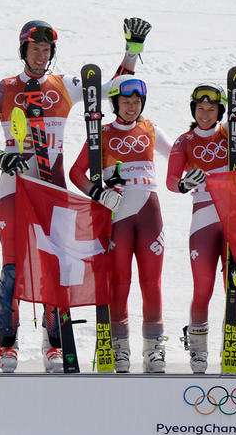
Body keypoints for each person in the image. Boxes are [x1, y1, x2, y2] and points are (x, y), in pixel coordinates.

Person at [0, 18, 145, 373]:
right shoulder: (3, 89)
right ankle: (8, 343)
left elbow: (111, 89)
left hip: (53, 190)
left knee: (53, 266)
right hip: (15, 189)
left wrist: (131, 51)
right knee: (12, 266)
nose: (41, 56)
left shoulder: (65, 85)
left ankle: (54, 340)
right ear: (23, 51)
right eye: (35, 49)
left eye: (46, 50)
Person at [165, 29, 236, 373]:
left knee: (234, 284)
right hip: (204, 217)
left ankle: (233, 341)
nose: (205, 113)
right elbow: (170, 181)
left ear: (221, 110)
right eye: (200, 108)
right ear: (193, 109)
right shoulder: (184, 141)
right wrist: (184, 185)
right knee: (203, 287)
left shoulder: (233, 132)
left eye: (211, 108)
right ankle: (197, 347)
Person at [69, 74, 173, 373]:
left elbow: (183, 154)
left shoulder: (150, 128)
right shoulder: (101, 133)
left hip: (150, 215)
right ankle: (120, 348)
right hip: (119, 217)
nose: (131, 106)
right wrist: (98, 193)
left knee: (152, 283)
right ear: (115, 103)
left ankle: (154, 349)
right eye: (126, 101)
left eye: (137, 101)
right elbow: (76, 172)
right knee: (119, 283)